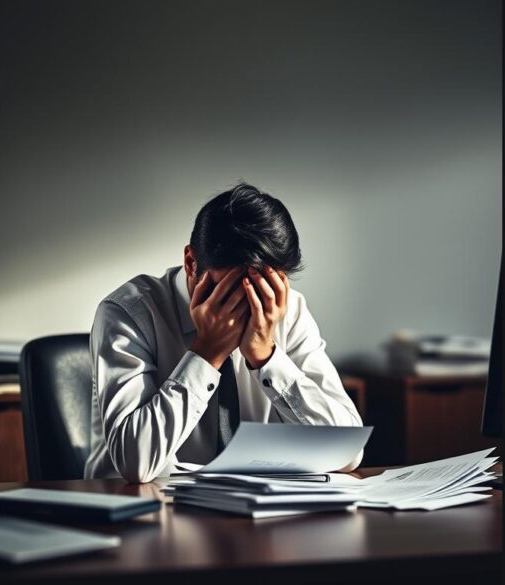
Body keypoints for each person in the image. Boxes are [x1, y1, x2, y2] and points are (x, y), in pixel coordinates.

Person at [84, 183, 363, 483]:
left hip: (254, 512)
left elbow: (348, 451)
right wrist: (206, 353)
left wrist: (266, 357)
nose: (246, 305)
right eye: (229, 290)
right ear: (191, 263)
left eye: (261, 289)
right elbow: (135, 464)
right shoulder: (128, 312)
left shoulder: (287, 310)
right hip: (137, 510)